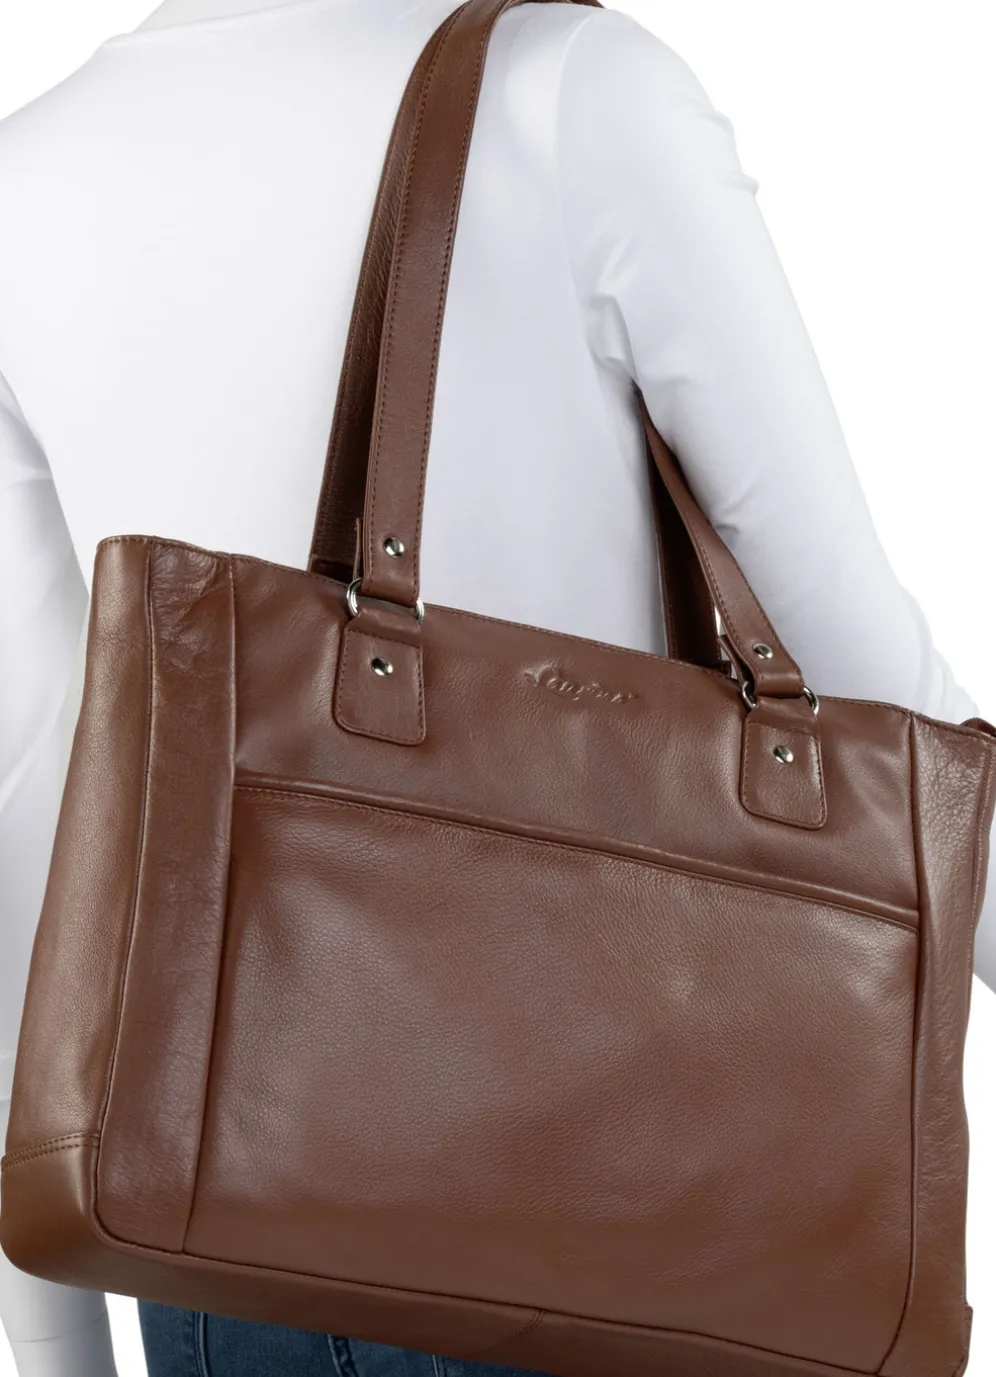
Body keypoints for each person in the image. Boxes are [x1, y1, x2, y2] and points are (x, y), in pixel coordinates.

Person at [1, 0, 993, 1374]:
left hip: (225, 1226)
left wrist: (50, 1319)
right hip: (654, 1200)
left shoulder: (27, 172)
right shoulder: (575, 89)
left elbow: (41, 796)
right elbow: (863, 668)